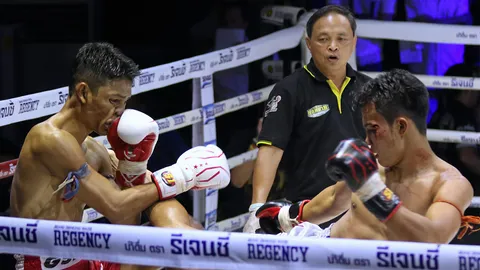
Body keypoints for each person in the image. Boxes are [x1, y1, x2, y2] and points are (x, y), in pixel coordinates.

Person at [10, 42, 230, 270]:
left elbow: (134, 207)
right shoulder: (48, 139)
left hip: (83, 257)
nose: (120, 111)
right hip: (42, 264)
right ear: (84, 92)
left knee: (178, 236)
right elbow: (115, 206)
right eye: (114, 101)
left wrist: (133, 168)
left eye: (124, 103)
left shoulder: (93, 150)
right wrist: (182, 176)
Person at [256, 69, 475, 243]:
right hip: (325, 251)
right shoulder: (374, 162)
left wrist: (372, 192)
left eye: (373, 129)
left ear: (400, 126)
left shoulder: (449, 184)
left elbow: (434, 237)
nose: (368, 141)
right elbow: (334, 199)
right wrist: (286, 217)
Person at [244, 5, 371, 233]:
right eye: (323, 39)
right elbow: (270, 150)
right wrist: (256, 208)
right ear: (309, 43)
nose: (333, 46)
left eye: (342, 39)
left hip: (360, 208)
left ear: (354, 42)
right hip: (305, 212)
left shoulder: (369, 89)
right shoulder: (289, 90)